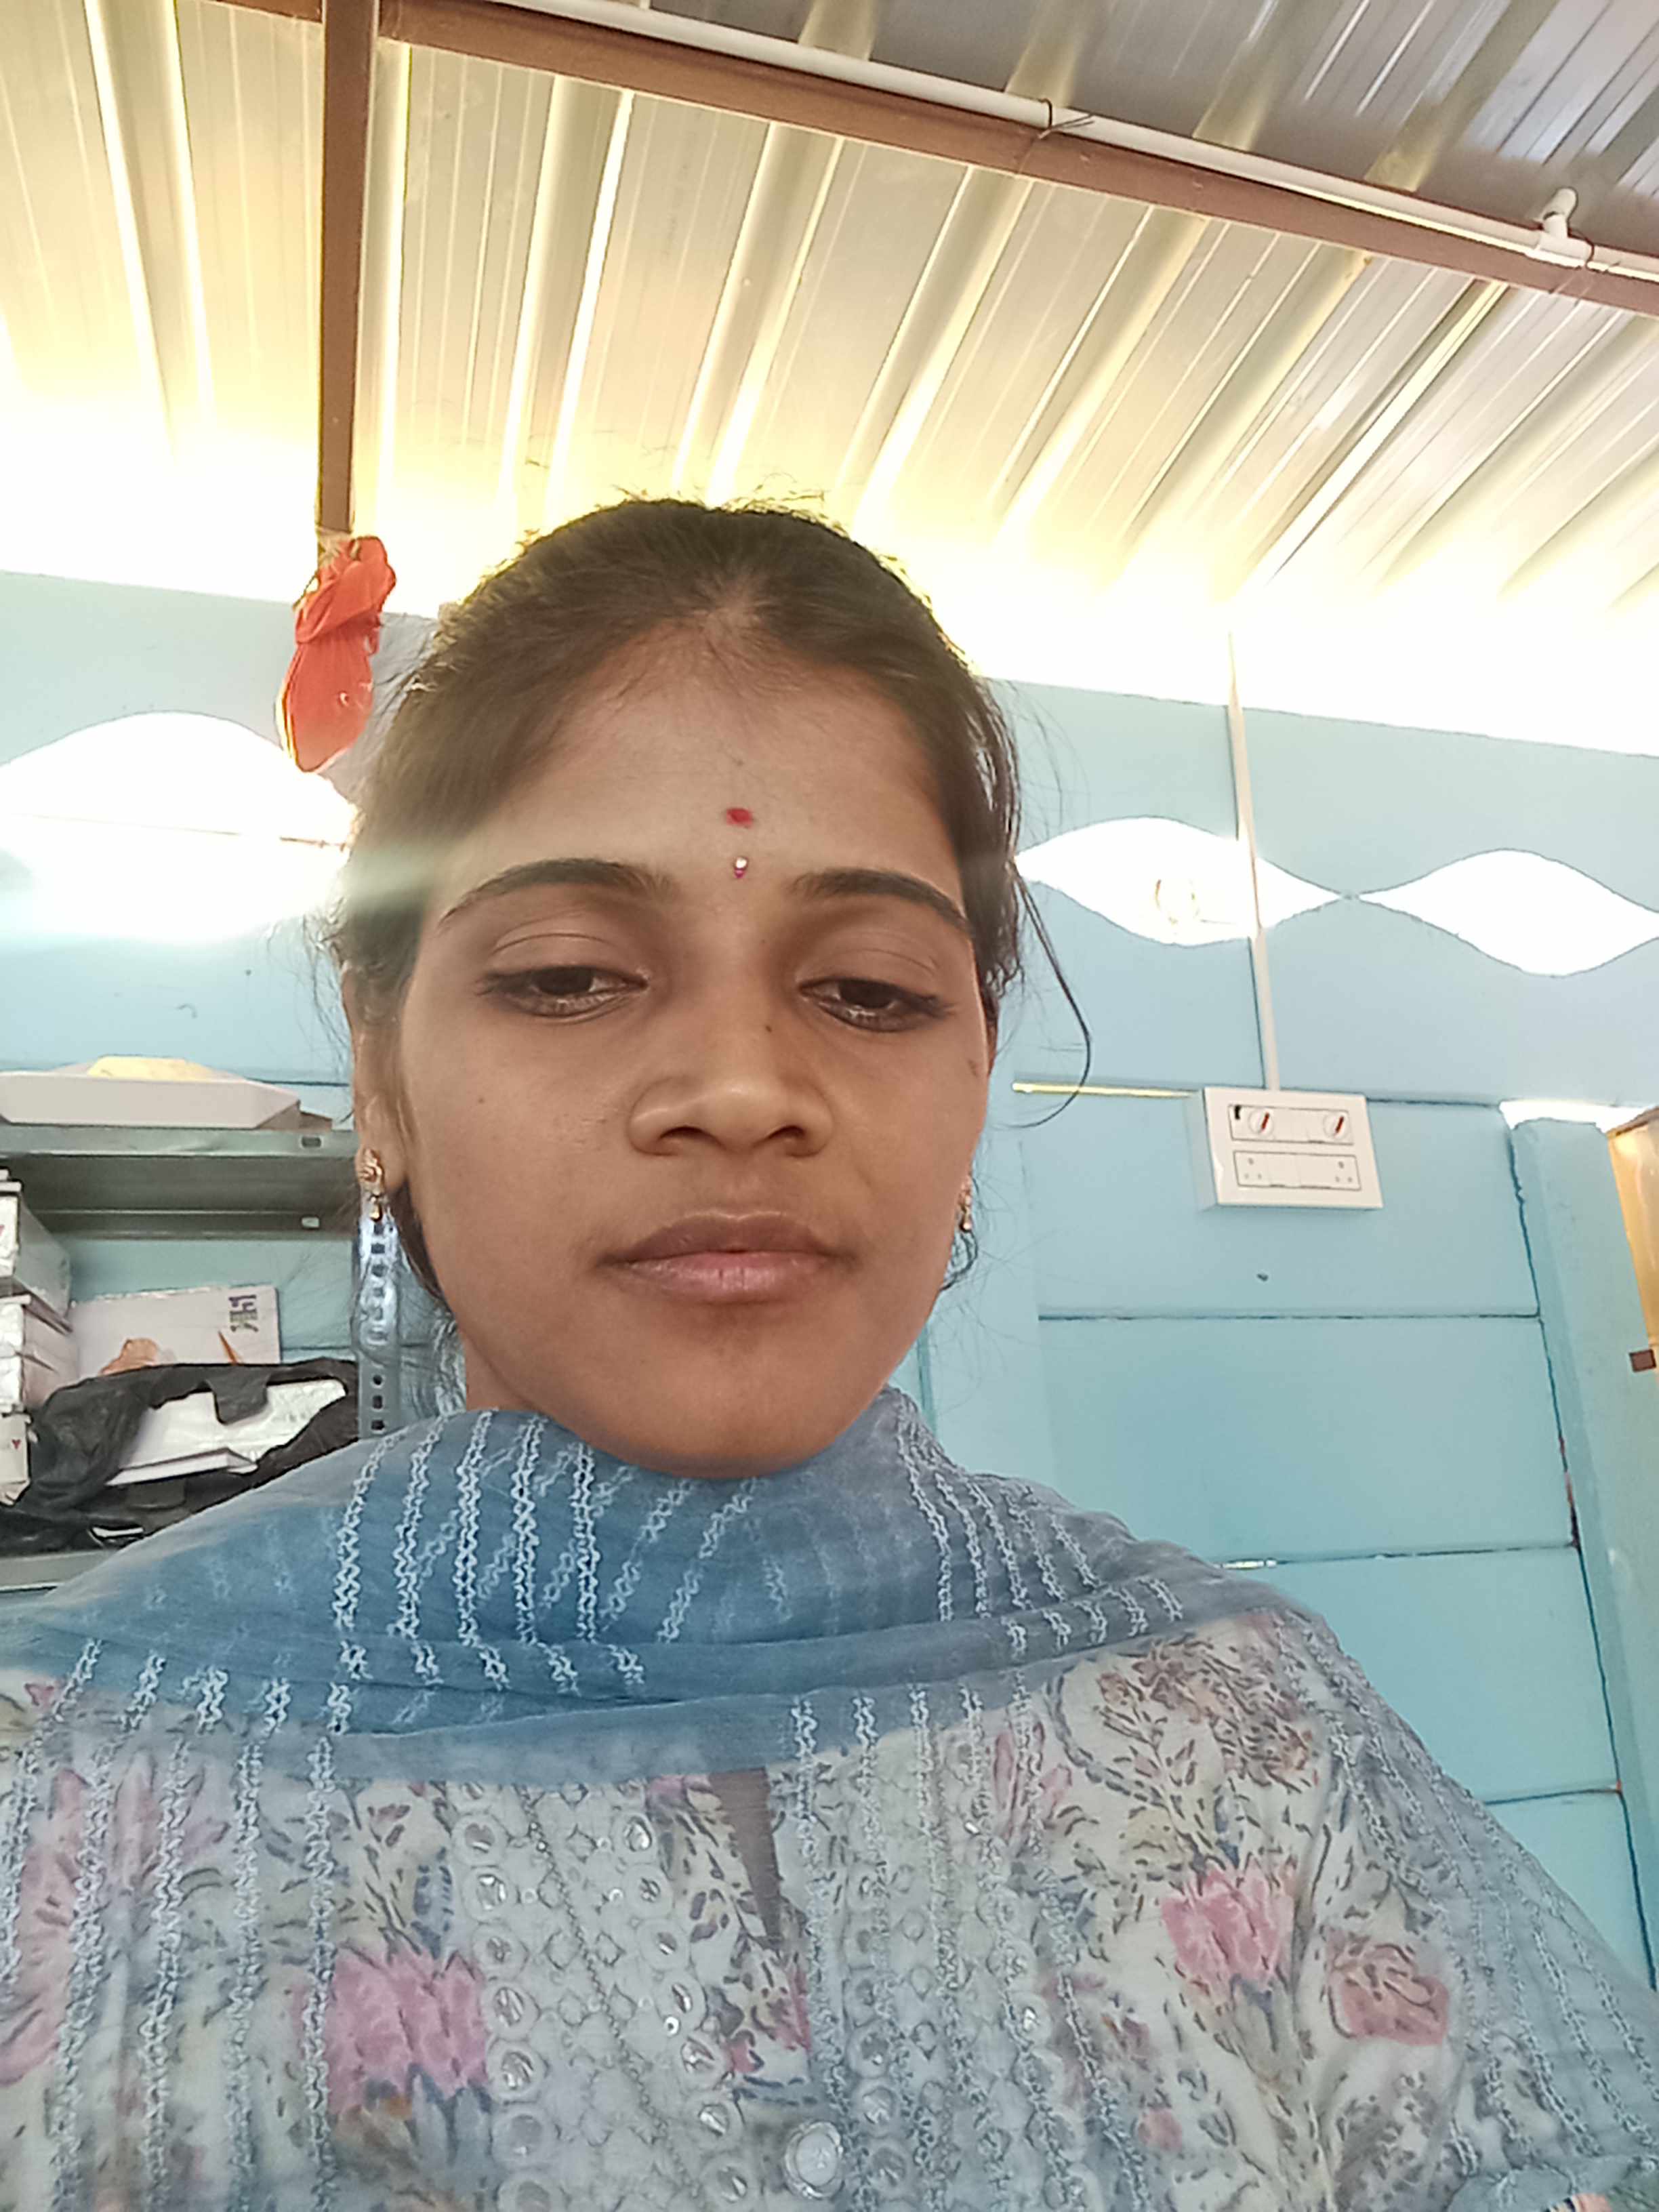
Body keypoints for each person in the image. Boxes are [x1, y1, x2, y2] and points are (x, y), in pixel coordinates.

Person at [0, 500, 1655, 2211]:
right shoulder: (62, 1775)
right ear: (384, 1077)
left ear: (977, 1073)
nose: (742, 1089)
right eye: (568, 975)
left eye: (868, 991)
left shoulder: (1249, 1732)